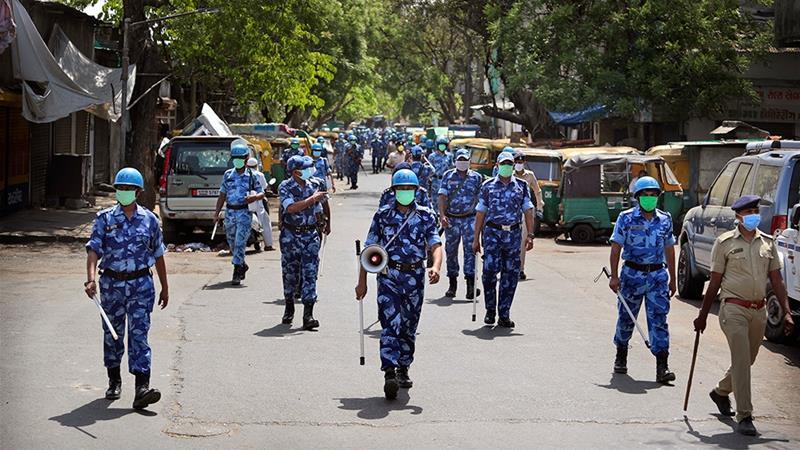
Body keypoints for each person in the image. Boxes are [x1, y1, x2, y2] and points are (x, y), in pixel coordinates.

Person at [693, 194, 794, 436]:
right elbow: (714, 282)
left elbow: (777, 280)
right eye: (748, 212)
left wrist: (787, 312)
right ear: (738, 216)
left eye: (755, 211)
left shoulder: (767, 242)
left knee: (748, 359)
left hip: (759, 310)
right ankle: (745, 415)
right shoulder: (724, 243)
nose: (753, 216)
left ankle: (720, 392)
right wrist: (703, 315)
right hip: (733, 309)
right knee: (741, 360)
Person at [84, 167, 168, 410]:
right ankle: (114, 380)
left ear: (138, 192)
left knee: (139, 335)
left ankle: (142, 388)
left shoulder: (150, 220)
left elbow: (158, 254)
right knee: (113, 335)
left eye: (129, 189)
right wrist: (90, 279)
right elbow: (93, 250)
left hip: (141, 286)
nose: (124, 192)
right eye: (120, 188)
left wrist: (165, 287)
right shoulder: (105, 219)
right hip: (112, 286)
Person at [355, 169, 443, 400]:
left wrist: (436, 267)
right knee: (390, 323)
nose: (405, 192)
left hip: (415, 277)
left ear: (415, 190)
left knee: (409, 326)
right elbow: (369, 250)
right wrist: (362, 282)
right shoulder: (382, 215)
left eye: (409, 189)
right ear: (394, 191)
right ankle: (389, 372)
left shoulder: (425, 215)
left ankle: (404, 367)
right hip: (389, 277)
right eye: (401, 189)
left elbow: (435, 245)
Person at [608, 176, 677, 383]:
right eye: (645, 195)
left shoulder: (665, 219)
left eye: (653, 194)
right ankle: (621, 355)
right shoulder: (626, 218)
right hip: (632, 275)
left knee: (659, 320)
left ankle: (662, 366)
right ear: (638, 197)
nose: (649, 198)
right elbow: (616, 247)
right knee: (626, 318)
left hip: (657, 276)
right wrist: (614, 276)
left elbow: (670, 249)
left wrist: (673, 278)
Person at [472, 152, 535, 327]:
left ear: (513, 165)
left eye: (509, 164)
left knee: (510, 275)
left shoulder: (522, 186)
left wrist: (530, 235)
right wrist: (475, 238)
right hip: (492, 234)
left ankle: (504, 313)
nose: (506, 166)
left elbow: (528, 210)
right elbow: (480, 212)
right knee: (489, 272)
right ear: (498, 165)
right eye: (503, 164)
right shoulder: (487, 186)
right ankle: (490, 310)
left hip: (513, 236)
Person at [279, 155, 330, 330]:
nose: (310, 170)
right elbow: (290, 208)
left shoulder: (315, 184)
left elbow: (323, 206)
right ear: (296, 172)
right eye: (306, 168)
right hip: (290, 236)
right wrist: (312, 199)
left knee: (310, 273)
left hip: (310, 235)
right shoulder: (285, 186)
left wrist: (327, 222)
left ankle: (308, 314)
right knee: (290, 273)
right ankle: (289, 307)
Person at [214, 140, 265, 285]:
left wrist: (254, 197)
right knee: (231, 241)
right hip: (230, 212)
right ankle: (242, 263)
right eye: (235, 158)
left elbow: (262, 193)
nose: (237, 161)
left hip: (244, 213)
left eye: (240, 158)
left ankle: (236, 271)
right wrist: (216, 213)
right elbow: (222, 194)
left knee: (240, 242)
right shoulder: (228, 175)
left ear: (246, 159)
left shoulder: (252, 176)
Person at [438, 149, 483, 299]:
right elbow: (442, 197)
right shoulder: (448, 175)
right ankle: (452, 284)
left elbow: (482, 200)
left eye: (465, 160)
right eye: (460, 160)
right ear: (455, 161)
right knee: (451, 251)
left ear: (469, 161)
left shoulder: (476, 177)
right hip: (452, 220)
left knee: (471, 251)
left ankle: (470, 285)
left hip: (470, 219)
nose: (462, 162)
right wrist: (442, 215)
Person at [512, 151, 544, 281]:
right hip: (511, 212)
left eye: (521, 162)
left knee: (522, 242)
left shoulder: (530, 175)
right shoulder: (510, 175)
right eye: (517, 162)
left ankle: (520, 269)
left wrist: (539, 207)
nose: (519, 164)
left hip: (525, 212)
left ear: (524, 163)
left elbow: (537, 191)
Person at [246, 157, 275, 251]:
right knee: (265, 223)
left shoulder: (242, 174)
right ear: (256, 166)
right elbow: (264, 187)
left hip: (245, 202)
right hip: (257, 202)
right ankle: (268, 245)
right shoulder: (259, 174)